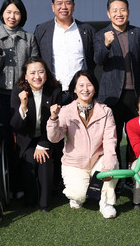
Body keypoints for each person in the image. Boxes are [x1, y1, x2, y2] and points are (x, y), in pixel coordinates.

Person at [0, 0, 39, 198]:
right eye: (8, 12)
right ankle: (5, 186)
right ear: (2, 14)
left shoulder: (29, 38)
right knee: (4, 140)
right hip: (0, 95)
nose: (12, 16)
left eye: (16, 12)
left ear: (22, 15)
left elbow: (35, 68)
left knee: (23, 140)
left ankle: (22, 183)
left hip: (22, 95)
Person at [46, 70, 118, 219]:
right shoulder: (65, 111)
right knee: (79, 195)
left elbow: (110, 141)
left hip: (98, 159)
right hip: (75, 162)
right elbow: (54, 138)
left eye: (89, 85)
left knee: (113, 164)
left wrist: (108, 166)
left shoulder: (106, 111)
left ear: (95, 88)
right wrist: (53, 119)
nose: (85, 89)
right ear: (74, 89)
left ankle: (106, 203)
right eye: (81, 85)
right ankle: (77, 196)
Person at [93, 0, 140, 160]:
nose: (119, 14)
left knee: (136, 138)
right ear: (108, 14)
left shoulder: (137, 33)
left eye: (123, 10)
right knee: (113, 138)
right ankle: (116, 172)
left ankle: (134, 171)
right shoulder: (101, 35)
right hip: (112, 96)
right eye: (115, 10)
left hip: (135, 94)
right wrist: (106, 45)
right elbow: (98, 60)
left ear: (128, 12)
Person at [10, 57, 63, 212]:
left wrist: (43, 143)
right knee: (30, 158)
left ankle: (45, 202)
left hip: (49, 137)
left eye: (41, 72)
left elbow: (59, 123)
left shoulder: (55, 91)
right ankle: (31, 199)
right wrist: (23, 106)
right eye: (32, 73)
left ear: (46, 73)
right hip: (26, 139)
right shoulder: (18, 91)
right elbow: (15, 126)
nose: (37, 76)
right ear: (25, 76)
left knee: (44, 158)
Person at [33, 0, 95, 97]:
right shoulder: (42, 30)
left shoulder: (87, 30)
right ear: (53, 7)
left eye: (68, 3)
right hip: (52, 93)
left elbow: (94, 60)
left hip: (80, 94)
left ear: (73, 6)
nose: (64, 7)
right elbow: (36, 60)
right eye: (59, 3)